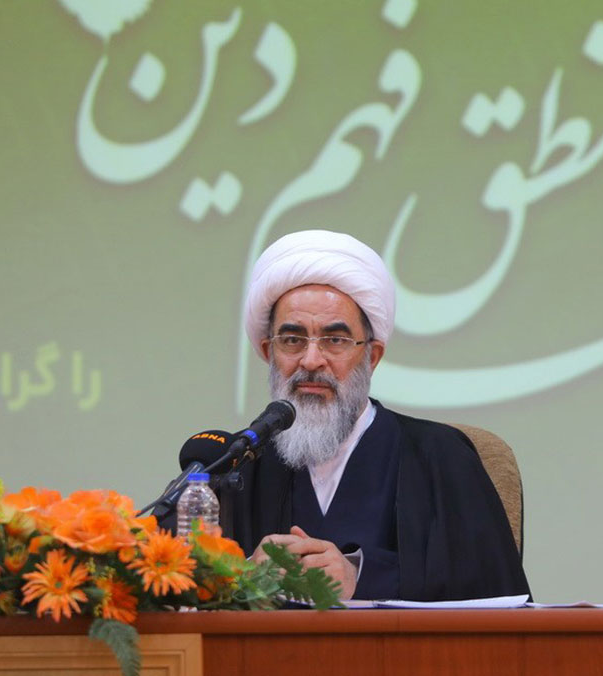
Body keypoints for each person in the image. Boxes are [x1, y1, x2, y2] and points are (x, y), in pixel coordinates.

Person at [226, 229, 530, 602]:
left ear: (372, 356)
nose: (311, 360)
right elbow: (181, 586)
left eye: (335, 340)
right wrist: (242, 578)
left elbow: (491, 591)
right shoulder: (237, 466)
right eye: (292, 340)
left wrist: (359, 576)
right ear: (267, 351)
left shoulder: (442, 455)